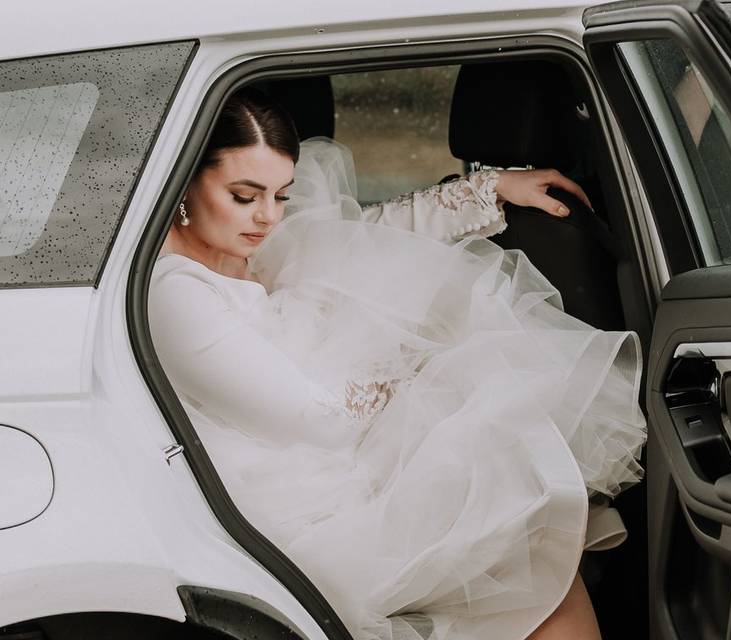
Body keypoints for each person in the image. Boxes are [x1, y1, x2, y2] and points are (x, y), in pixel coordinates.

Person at [149, 87, 646, 640]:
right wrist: (420, 370)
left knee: (534, 535)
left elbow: (367, 236)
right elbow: (319, 419)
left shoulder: (239, 242)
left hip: (344, 456)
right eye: (245, 196)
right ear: (186, 181)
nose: (267, 216)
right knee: (528, 536)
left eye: (282, 195)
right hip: (291, 501)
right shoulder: (176, 293)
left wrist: (492, 186)